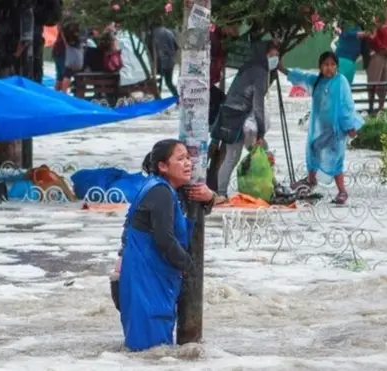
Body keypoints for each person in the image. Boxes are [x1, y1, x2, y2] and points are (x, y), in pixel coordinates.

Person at [116, 139, 215, 351]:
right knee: (152, 350)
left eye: (189, 158)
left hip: (150, 277)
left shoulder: (163, 187)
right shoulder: (160, 192)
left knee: (152, 350)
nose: (188, 163)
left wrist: (209, 198)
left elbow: (189, 211)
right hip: (148, 280)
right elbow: (164, 239)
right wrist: (189, 266)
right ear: (163, 166)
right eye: (180, 159)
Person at [279, 51, 364, 205]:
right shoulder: (316, 81)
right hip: (320, 129)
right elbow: (301, 77)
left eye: (332, 65)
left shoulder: (341, 81)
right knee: (313, 149)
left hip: (337, 130)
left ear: (337, 67)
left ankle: (342, 192)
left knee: (336, 160)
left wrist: (351, 127)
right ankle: (311, 181)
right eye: (326, 65)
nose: (329, 68)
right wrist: (282, 69)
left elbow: (347, 106)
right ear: (320, 67)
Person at [209, 40, 278, 202]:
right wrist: (260, 130)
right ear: (264, 55)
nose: (274, 58)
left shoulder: (249, 67)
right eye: (271, 55)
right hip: (241, 120)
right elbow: (258, 104)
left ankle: (222, 193)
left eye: (277, 55)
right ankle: (221, 193)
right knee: (245, 154)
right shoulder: (260, 72)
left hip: (230, 115)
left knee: (239, 154)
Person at [366, 9, 387, 111]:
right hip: (377, 55)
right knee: (373, 81)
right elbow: (374, 39)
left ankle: (381, 106)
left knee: (385, 81)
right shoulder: (376, 24)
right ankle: (371, 106)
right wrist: (383, 48)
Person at [151, 25, 178, 97]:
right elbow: (176, 46)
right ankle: (177, 97)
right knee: (168, 82)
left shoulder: (154, 33)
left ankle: (158, 100)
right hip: (169, 61)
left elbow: (153, 49)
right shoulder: (170, 32)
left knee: (158, 83)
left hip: (159, 62)